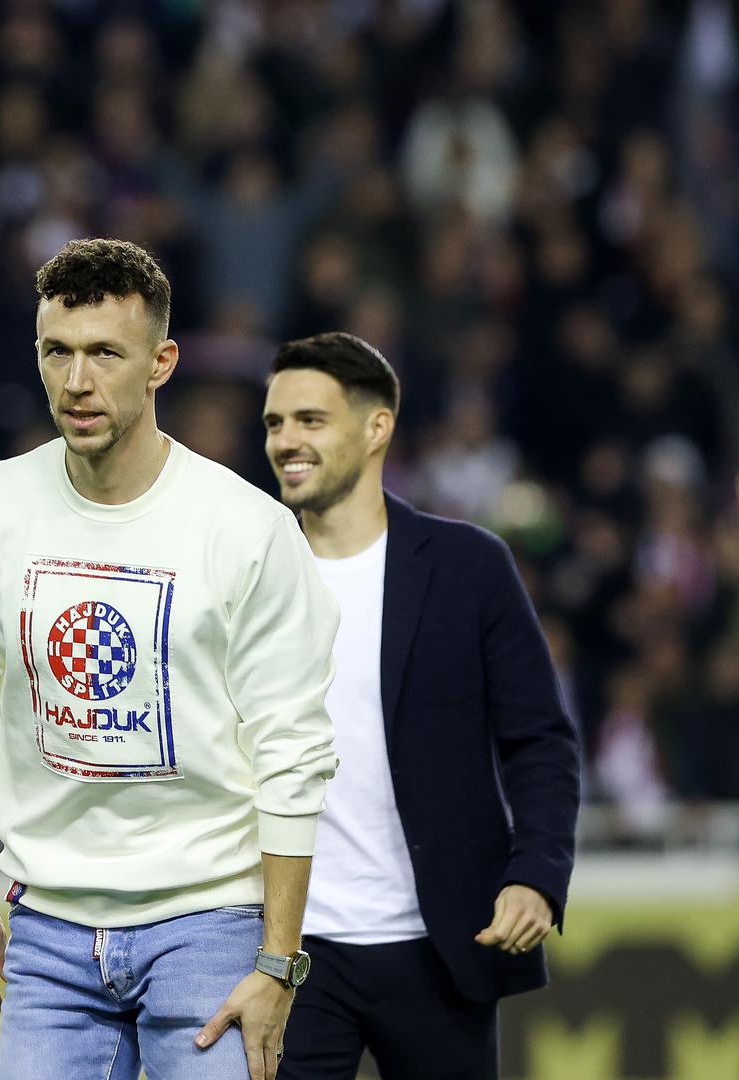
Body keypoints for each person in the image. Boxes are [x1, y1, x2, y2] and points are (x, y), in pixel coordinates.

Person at [0, 238, 340, 1080]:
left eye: (105, 354)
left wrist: (277, 962)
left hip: (209, 923)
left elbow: (292, 755)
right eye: (56, 352)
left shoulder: (246, 530)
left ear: (161, 363)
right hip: (47, 929)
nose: (76, 381)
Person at [260, 332, 581, 1079]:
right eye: (274, 423)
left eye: (310, 420)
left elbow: (539, 741)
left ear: (377, 427)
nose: (285, 441)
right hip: (287, 947)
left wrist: (535, 873)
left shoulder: (470, 567)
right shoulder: (246, 569)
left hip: (441, 946)